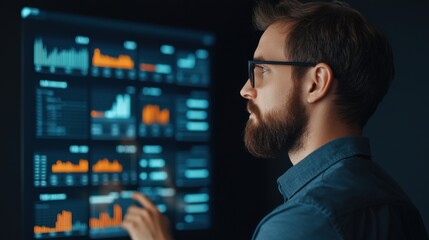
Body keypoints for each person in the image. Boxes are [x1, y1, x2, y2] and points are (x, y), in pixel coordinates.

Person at [122, 0, 429, 239]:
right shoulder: (398, 207)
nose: (245, 90)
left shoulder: (304, 222)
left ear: (316, 82)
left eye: (263, 70)